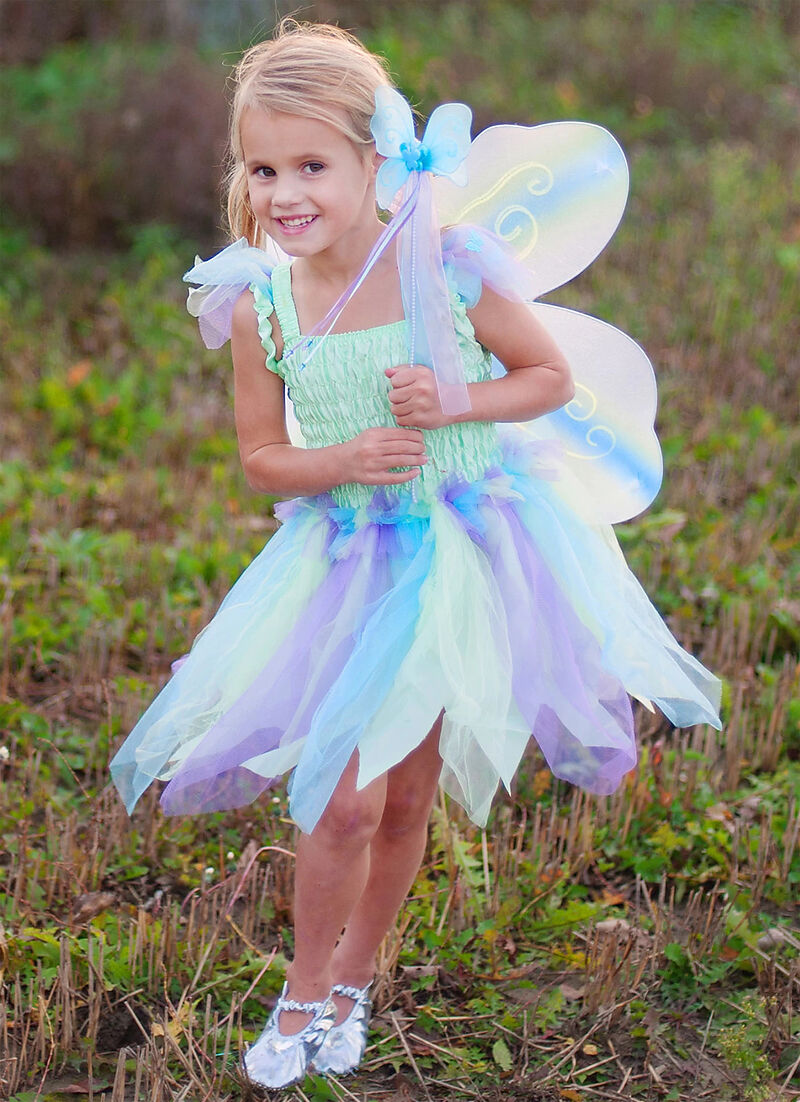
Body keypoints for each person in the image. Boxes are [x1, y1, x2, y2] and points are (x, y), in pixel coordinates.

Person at [110, 20, 721, 1090]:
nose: (284, 193)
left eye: (312, 165)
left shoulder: (444, 266)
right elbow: (260, 458)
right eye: (263, 169)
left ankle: (355, 980)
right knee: (342, 797)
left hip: (467, 550)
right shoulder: (259, 304)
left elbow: (545, 378)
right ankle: (303, 992)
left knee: (402, 798)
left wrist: (454, 398)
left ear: (374, 162)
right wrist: (341, 457)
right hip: (350, 561)